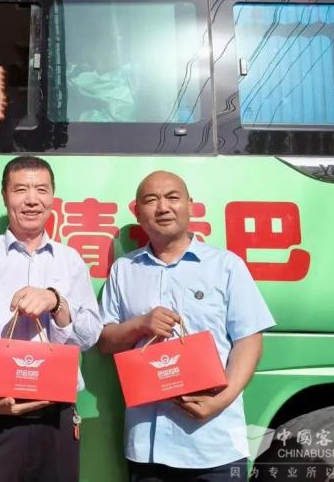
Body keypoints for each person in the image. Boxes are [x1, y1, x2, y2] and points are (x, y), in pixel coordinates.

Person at [98, 170, 275, 482]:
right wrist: (140, 325)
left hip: (214, 442)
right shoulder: (124, 269)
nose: (163, 207)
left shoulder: (226, 265)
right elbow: (105, 342)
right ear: (137, 213)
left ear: (190, 205)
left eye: (172, 197)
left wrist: (220, 401)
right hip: (147, 448)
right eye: (151, 200)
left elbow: (249, 341)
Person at [0, 155, 102, 482]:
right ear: (5, 196)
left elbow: (90, 336)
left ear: (53, 197)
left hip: (55, 415)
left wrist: (57, 302)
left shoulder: (70, 260)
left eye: (41, 190)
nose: (32, 200)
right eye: (21, 190)